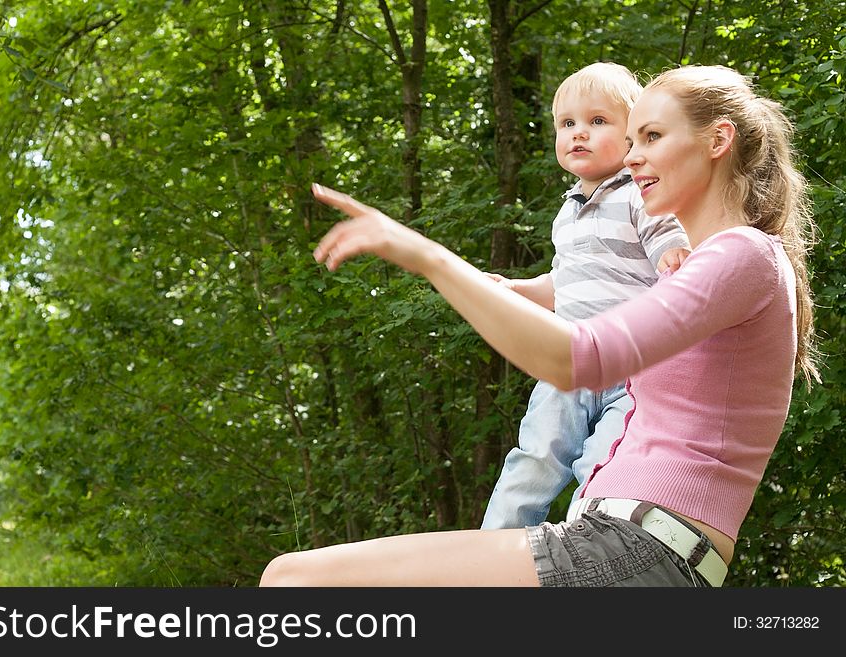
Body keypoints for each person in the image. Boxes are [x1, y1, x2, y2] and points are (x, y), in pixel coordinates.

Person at [259, 64, 819, 587]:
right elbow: (578, 316)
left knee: (293, 579)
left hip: (638, 548)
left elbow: (578, 358)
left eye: (650, 138)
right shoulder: (701, 266)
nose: (630, 159)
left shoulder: (742, 254)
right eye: (631, 142)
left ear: (717, 141)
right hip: (623, 545)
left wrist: (425, 255)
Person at [481, 62, 691, 530]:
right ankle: (490, 551)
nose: (579, 133)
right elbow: (562, 282)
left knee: (602, 465)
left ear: (634, 136)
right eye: (567, 124)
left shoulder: (639, 194)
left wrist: (675, 255)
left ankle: (584, 549)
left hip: (630, 367)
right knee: (533, 459)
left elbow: (666, 242)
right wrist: (514, 290)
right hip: (567, 364)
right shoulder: (567, 213)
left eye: (598, 122)